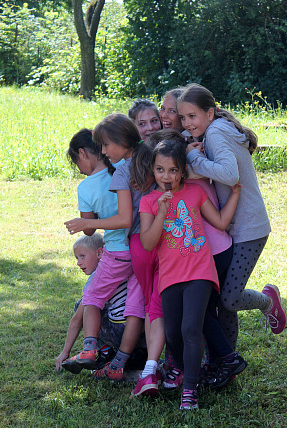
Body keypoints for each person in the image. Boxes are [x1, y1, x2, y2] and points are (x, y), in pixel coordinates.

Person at [65, 115, 164, 397]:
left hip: (125, 247)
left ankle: (89, 350)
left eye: (106, 145)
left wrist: (85, 224)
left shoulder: (120, 172)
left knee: (92, 298)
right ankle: (120, 363)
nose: (104, 151)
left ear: (120, 142)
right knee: (137, 308)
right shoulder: (145, 159)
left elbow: (121, 218)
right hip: (150, 247)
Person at [139, 138, 242, 410]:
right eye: (161, 170)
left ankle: (190, 390)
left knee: (190, 328)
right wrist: (161, 212)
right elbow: (148, 243)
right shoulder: (149, 202)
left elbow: (220, 221)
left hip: (199, 271)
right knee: (173, 333)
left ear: (183, 172)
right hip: (170, 277)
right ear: (153, 170)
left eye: (173, 170)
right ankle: (185, 370)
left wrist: (235, 194)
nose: (167, 176)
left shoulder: (195, 192)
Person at [177, 84, 287, 335]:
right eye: (183, 117)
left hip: (250, 228)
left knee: (229, 298)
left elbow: (229, 174)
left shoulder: (215, 133)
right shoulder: (213, 130)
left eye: (192, 116)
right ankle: (228, 362)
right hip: (232, 226)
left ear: (210, 113)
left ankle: (268, 301)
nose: (187, 123)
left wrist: (193, 158)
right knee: (224, 301)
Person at [55, 233, 147, 374]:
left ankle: (105, 354)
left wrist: (65, 352)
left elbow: (77, 320)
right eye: (76, 258)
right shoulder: (123, 268)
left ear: (100, 253)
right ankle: (135, 356)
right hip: (139, 331)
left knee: (83, 306)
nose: (78, 262)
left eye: (82, 256)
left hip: (119, 331)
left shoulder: (97, 278)